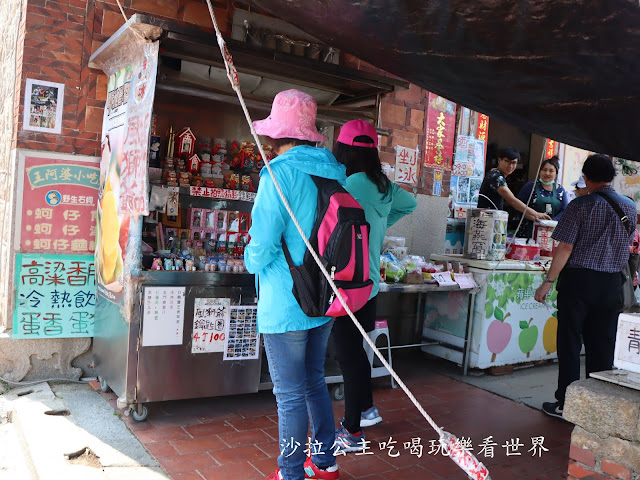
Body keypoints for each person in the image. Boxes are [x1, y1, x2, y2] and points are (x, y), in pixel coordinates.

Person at [245, 89, 343, 480]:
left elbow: (263, 244)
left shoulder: (277, 175)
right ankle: (325, 461)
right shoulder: (334, 171)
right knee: (314, 380)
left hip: (286, 300)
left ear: (276, 135)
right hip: (324, 294)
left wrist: (249, 259)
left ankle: (290, 471)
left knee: (288, 394)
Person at [331, 119, 417, 452]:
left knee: (348, 355)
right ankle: (366, 408)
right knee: (359, 349)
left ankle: (352, 431)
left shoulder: (345, 183)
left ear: (344, 149)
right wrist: (379, 226)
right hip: (370, 282)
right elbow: (411, 205)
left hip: (347, 280)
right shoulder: (383, 185)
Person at [534, 154, 637, 419]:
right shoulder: (629, 206)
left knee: (569, 342)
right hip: (611, 283)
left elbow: (565, 247)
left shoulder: (580, 205)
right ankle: (595, 407)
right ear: (611, 177)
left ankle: (566, 403)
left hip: (579, 282)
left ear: (587, 177)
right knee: (602, 345)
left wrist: (548, 282)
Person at [477, 147, 551, 223]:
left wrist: (535, 218)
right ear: (499, 160)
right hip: (485, 223)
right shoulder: (496, 177)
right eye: (507, 161)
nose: (510, 166)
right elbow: (512, 200)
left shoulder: (496, 174)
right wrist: (536, 214)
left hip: (490, 220)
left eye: (514, 163)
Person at [516, 157, 569, 238]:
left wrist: (551, 222)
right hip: (528, 233)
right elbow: (518, 206)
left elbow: (564, 211)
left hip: (551, 234)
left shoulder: (560, 190)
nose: (547, 173)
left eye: (551, 171)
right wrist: (534, 218)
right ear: (540, 171)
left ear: (556, 173)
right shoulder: (530, 187)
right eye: (544, 170)